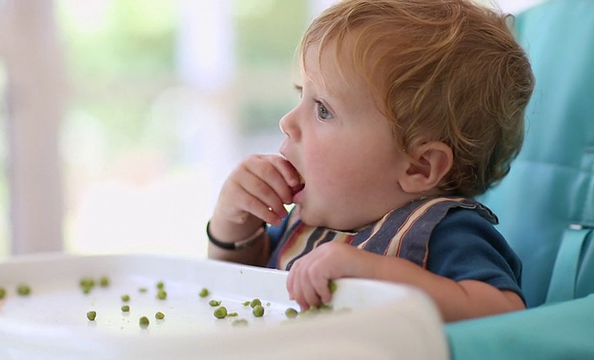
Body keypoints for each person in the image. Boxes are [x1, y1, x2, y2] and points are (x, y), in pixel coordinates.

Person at [206, 0, 534, 322]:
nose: (288, 122)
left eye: (323, 109)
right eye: (300, 94)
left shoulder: (442, 232)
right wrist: (235, 224)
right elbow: (238, 287)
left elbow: (505, 315)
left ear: (418, 166)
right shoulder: (309, 224)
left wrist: (376, 272)